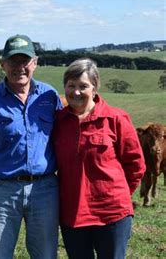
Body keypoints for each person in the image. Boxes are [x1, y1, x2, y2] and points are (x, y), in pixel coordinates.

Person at [0, 34, 63, 258]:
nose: (20, 67)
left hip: (44, 189)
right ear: (2, 64)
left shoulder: (49, 96)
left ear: (35, 63)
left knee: (46, 254)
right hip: (1, 190)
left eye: (25, 61)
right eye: (13, 61)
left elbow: (64, 140)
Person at [53, 58, 145, 258]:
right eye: (71, 86)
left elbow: (135, 164)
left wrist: (117, 195)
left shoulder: (116, 119)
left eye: (83, 86)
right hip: (72, 214)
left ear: (95, 89)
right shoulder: (58, 121)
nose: (76, 92)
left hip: (111, 214)